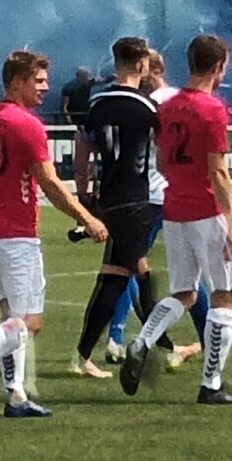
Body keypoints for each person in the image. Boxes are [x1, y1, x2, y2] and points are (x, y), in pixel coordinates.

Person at [0, 50, 106, 419]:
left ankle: (15, 397)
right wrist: (87, 217)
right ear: (18, 81)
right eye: (39, 81)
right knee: (29, 323)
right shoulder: (26, 125)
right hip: (16, 238)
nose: (45, 88)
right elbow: (49, 182)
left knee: (11, 319)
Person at [120, 34, 232, 405]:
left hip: (175, 209)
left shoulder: (169, 106)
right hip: (208, 212)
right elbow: (218, 171)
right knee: (225, 296)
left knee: (185, 293)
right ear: (219, 66)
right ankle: (211, 384)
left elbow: (161, 161)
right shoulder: (213, 110)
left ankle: (143, 341)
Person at [69, 37, 175, 379]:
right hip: (135, 200)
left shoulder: (97, 103)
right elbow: (165, 152)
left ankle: (155, 347)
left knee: (125, 276)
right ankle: (156, 348)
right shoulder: (146, 108)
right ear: (142, 65)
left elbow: (82, 148)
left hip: (108, 198)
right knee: (131, 276)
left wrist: (83, 193)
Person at [106, 50, 210, 368]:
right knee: (189, 275)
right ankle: (207, 339)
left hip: (151, 194)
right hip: (170, 194)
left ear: (153, 69)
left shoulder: (151, 103)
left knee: (126, 265)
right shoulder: (175, 100)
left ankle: (118, 338)